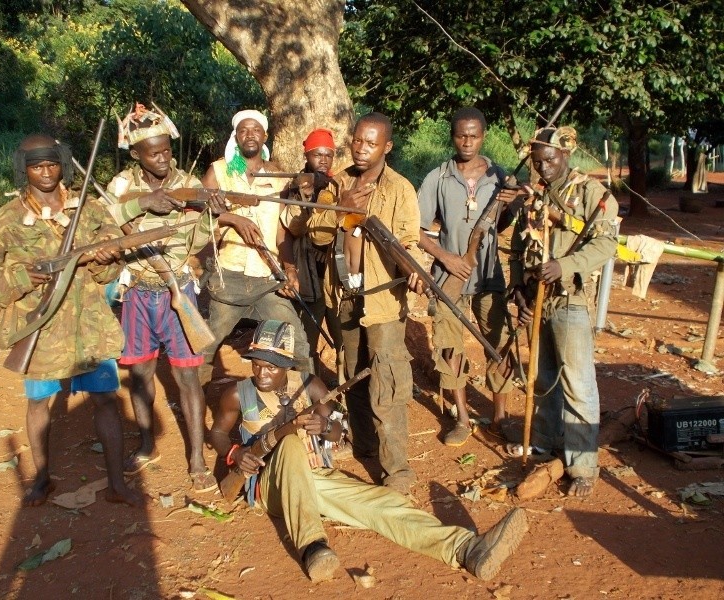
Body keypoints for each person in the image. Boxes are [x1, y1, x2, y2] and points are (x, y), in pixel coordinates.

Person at [209, 320, 529, 583]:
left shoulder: (311, 387)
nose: (261, 374)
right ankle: (312, 547)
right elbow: (218, 433)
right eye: (257, 366)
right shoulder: (238, 395)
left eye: (270, 368)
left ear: (286, 366)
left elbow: (339, 431)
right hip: (271, 485)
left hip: (316, 478)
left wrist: (326, 429)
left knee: (382, 504)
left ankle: (466, 550)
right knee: (291, 442)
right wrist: (236, 455)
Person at [0, 134, 143, 507]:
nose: (46, 173)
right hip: (39, 327)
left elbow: (111, 259)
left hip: (88, 324)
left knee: (107, 400)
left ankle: (116, 483)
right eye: (37, 166)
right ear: (23, 169)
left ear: (62, 164)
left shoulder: (87, 211)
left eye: (52, 164)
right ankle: (42, 478)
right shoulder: (5, 221)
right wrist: (22, 277)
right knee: (39, 403)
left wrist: (108, 259)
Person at [105, 103, 222, 492]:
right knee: (140, 373)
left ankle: (196, 459)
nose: (162, 158)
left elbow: (200, 240)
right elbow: (101, 224)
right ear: (136, 155)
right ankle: (145, 444)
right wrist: (143, 203)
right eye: (153, 153)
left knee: (187, 377)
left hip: (177, 291)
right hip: (137, 290)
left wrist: (212, 215)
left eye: (166, 150)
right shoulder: (121, 186)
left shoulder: (189, 184)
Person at [307, 112, 419, 494]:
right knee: (352, 372)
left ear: (386, 147)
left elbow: (408, 242)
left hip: (382, 300)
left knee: (386, 384)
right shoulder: (338, 183)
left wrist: (416, 269)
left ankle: (397, 472)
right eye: (357, 140)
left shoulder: (400, 189)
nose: (361, 148)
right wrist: (341, 209)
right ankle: (364, 444)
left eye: (371, 143)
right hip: (344, 295)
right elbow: (317, 235)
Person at [509, 126, 619, 498]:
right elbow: (518, 244)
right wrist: (518, 290)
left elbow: (606, 244)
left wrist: (566, 265)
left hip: (569, 298)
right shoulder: (534, 193)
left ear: (567, 155)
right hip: (536, 298)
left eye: (550, 160)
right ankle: (543, 440)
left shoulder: (593, 194)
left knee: (577, 384)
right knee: (542, 375)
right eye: (538, 162)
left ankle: (583, 465)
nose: (544, 168)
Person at [417, 107, 519, 447]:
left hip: (490, 276)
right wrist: (447, 258)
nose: (467, 142)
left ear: (483, 136)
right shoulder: (438, 177)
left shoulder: (499, 175)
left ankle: (500, 418)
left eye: (474, 135)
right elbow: (415, 231)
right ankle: (462, 419)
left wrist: (510, 205)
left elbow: (501, 226)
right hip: (449, 277)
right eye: (461, 135)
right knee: (450, 348)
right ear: (453, 136)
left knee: (500, 345)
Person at [198, 110, 310, 382]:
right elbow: (195, 210)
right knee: (205, 348)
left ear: (265, 136)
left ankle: (307, 408)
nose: (250, 135)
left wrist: (290, 269)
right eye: (243, 130)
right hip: (229, 278)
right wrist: (232, 218)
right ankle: (196, 409)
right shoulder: (220, 170)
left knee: (297, 344)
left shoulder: (278, 176)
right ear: (236, 136)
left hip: (267, 278)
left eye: (256, 130)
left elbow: (283, 229)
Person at [281, 128, 343, 380]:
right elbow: (291, 228)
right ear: (307, 155)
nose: (323, 160)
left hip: (335, 277)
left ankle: (344, 390)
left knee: (342, 341)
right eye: (317, 154)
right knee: (308, 341)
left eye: (328, 155)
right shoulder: (294, 187)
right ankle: (311, 390)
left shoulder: (339, 185)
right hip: (308, 278)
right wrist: (303, 198)